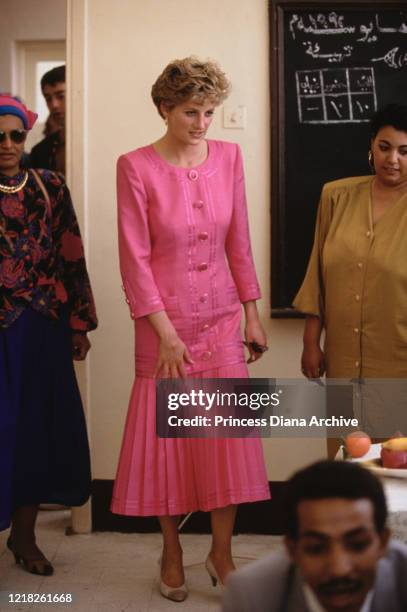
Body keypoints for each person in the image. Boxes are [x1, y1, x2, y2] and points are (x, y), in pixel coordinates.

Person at [111, 56, 270, 602]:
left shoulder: (229, 157)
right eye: (189, 112)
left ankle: (221, 553)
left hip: (223, 319)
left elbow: (239, 240)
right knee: (170, 446)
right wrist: (164, 331)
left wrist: (251, 310)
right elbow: (134, 259)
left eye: (208, 112)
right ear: (164, 109)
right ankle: (172, 550)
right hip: (164, 327)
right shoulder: (134, 166)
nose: (202, 123)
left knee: (224, 441)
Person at [0, 94, 97, 575]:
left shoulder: (50, 186)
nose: (7, 145)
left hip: (41, 327)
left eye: (16, 135)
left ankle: (24, 536)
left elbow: (71, 254)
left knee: (36, 430)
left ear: (26, 136)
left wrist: (78, 322)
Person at [293, 104, 407, 442]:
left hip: (399, 362)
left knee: (397, 468)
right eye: (384, 147)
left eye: (405, 151)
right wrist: (311, 341)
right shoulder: (336, 196)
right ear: (371, 145)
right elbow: (318, 275)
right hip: (342, 362)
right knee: (345, 464)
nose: (393, 160)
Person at [223, 460, 407, 612]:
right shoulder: (251, 596)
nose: (339, 568)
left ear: (383, 543)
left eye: (357, 545)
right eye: (316, 548)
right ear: (292, 549)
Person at [30, 65, 66, 173]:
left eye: (61, 96)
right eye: (48, 99)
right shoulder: (40, 151)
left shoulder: (94, 141)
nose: (54, 105)